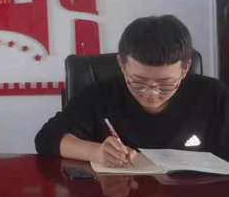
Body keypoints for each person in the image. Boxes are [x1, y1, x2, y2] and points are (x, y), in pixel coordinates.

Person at [35, 15, 229, 167]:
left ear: (185, 69)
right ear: (122, 64)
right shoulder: (100, 95)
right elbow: (47, 138)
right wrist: (96, 152)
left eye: (165, 84)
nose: (152, 93)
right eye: (139, 82)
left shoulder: (214, 96)